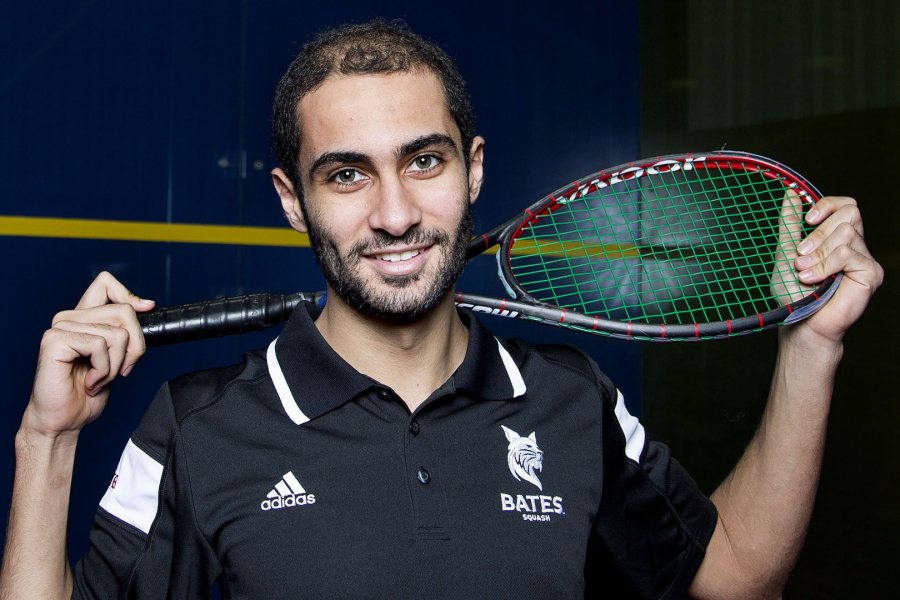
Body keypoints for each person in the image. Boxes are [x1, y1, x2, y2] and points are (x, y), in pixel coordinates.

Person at [0, 20, 883, 600]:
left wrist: (813, 347)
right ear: (290, 201)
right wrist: (49, 443)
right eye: (346, 174)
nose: (393, 213)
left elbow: (735, 580)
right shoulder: (197, 426)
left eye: (424, 160)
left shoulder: (572, 400)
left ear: (475, 169)